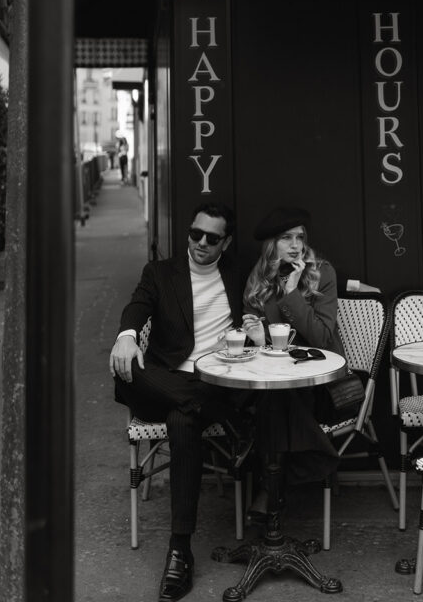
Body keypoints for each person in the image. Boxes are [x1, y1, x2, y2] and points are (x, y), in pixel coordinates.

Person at [109, 201, 246, 602]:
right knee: (126, 368)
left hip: (209, 382)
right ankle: (236, 425)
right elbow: (137, 305)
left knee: (183, 418)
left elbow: (261, 302)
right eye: (195, 233)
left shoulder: (236, 274)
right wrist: (127, 335)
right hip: (162, 379)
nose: (201, 243)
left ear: (226, 242)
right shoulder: (160, 272)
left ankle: (179, 550)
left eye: (212, 237)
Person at [241, 206, 344, 518]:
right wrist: (258, 341)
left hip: (321, 385)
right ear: (271, 244)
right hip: (275, 384)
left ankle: (268, 486)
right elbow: (261, 350)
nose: (296, 245)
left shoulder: (321, 274)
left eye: (300, 237)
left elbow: (322, 339)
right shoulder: (258, 280)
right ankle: (311, 460)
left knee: (276, 400)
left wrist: (290, 293)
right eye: (286, 238)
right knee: (274, 396)